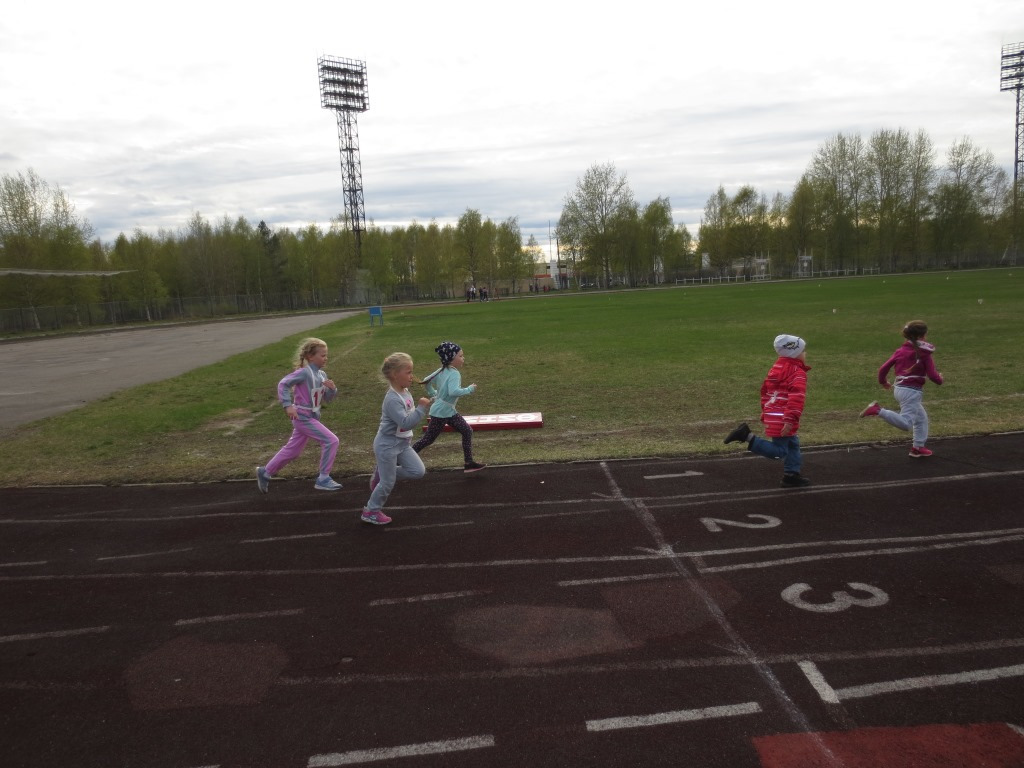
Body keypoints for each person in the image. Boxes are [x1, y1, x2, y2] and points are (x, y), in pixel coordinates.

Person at [724, 334, 812, 488]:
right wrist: (790, 419)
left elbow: (765, 391)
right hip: (783, 416)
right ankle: (747, 436)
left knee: (792, 443)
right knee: (780, 451)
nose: (805, 354)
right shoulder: (797, 373)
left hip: (773, 413)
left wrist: (765, 410)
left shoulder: (776, 368)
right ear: (794, 353)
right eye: (803, 351)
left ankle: (791, 474)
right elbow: (796, 398)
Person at [257, 337, 341, 493]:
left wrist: (332, 389)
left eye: (326, 355)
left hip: (311, 417)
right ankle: (323, 478)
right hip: (302, 417)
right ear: (310, 357)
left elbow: (327, 399)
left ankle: (265, 472)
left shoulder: (322, 374)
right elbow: (283, 384)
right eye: (322, 355)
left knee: (293, 450)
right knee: (331, 440)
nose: (326, 358)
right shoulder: (304, 373)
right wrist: (287, 405)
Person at [362, 352, 432, 525]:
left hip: (402, 444)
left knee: (418, 471)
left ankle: (382, 473)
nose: (412, 376)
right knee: (388, 483)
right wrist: (421, 408)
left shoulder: (405, 392)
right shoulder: (392, 399)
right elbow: (406, 423)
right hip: (387, 446)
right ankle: (371, 511)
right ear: (395, 374)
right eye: (408, 372)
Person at [860, 320, 944, 457]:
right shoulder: (924, 353)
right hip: (912, 392)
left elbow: (883, 368)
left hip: (899, 389)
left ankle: (918, 447)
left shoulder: (901, 351)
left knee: (921, 419)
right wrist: (940, 379)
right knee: (906, 424)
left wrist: (883, 381)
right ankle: (878, 410)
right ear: (922, 335)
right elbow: (933, 375)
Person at [413, 341, 486, 473]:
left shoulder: (442, 370)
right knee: (428, 439)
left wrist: (433, 393)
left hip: (448, 411)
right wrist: (469, 389)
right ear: (451, 359)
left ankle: (469, 463)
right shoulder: (454, 373)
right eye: (460, 356)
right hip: (441, 412)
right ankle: (403, 458)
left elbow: (426, 381)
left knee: (467, 431)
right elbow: (453, 392)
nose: (463, 358)